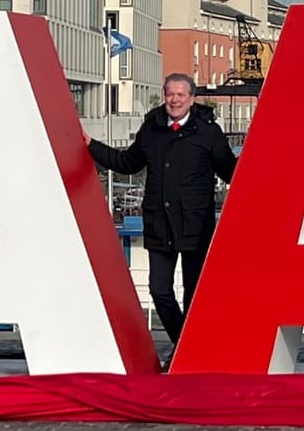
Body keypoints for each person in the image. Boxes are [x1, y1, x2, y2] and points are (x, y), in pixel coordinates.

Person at [86, 73, 237, 352]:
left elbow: (232, 172)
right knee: (159, 290)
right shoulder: (151, 128)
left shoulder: (208, 133)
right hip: (159, 224)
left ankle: (192, 352)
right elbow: (127, 163)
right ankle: (185, 347)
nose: (175, 100)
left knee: (195, 297)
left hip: (195, 225)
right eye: (170, 94)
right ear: (164, 95)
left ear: (192, 99)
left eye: (181, 95)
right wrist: (90, 145)